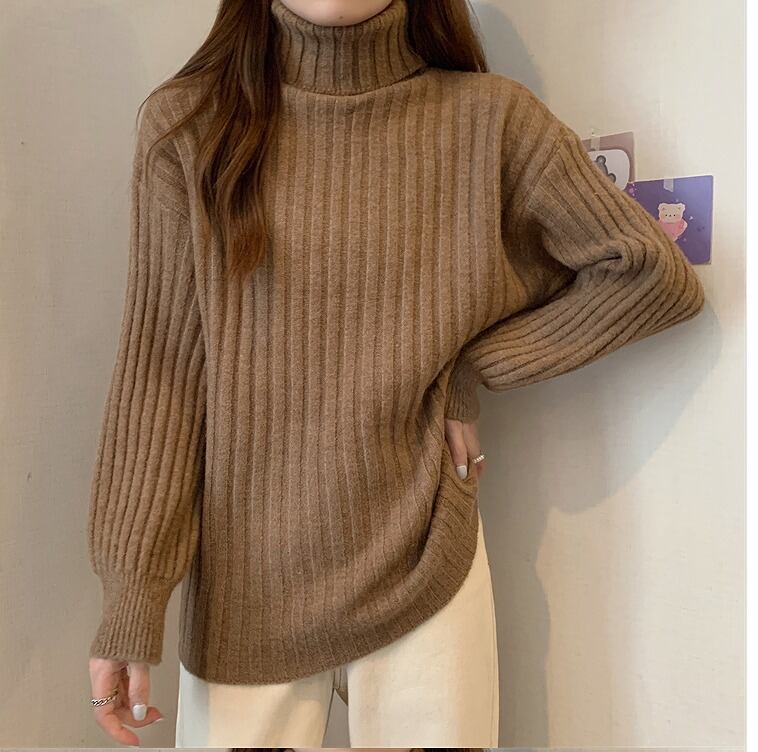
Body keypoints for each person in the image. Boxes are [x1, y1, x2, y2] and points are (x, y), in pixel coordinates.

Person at [86, 0, 706, 747]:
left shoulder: (492, 122)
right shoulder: (190, 126)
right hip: (243, 589)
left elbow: (649, 276)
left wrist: (469, 369)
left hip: (425, 565)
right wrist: (131, 597)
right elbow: (160, 373)